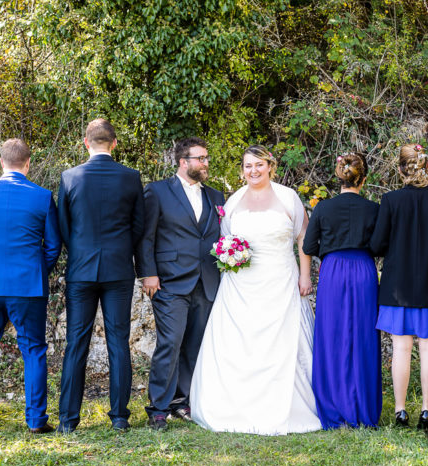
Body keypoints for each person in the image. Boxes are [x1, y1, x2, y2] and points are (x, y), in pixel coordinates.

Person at [190, 144, 322, 435]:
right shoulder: (234, 201)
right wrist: (228, 254)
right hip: (241, 286)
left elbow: (303, 238)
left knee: (284, 343)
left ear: (270, 166)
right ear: (242, 170)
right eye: (248, 166)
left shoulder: (288, 198)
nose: (253, 171)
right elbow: (225, 240)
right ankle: (233, 406)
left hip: (281, 280)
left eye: (259, 165)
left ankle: (291, 406)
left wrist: (305, 276)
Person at [0, 138, 61, 433]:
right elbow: (54, 245)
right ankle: (35, 420)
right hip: (28, 287)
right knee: (33, 351)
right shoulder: (42, 196)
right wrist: (35, 271)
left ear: (1, 162)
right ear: (27, 163)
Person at [57, 118, 145, 433]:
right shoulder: (131, 177)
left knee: (75, 343)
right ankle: (120, 416)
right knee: (118, 342)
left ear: (86, 142)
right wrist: (121, 250)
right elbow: (138, 226)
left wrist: (79, 250)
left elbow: (63, 227)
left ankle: (68, 420)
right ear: (115, 143)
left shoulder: (70, 177)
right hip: (119, 268)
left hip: (81, 269)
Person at [370, 144, 428, 431]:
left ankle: (400, 411)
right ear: (426, 168)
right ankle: (426, 411)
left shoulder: (390, 200)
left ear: (400, 169)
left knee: (400, 349)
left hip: (397, 288)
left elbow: (377, 245)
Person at [135, 137, 225, 431]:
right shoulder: (158, 191)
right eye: (201, 158)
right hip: (170, 281)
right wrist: (148, 273)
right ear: (183, 162)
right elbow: (146, 235)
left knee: (194, 345)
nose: (206, 163)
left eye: (207, 158)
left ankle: (181, 401)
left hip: (207, 280)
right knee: (170, 343)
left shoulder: (216, 196)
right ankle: (158, 407)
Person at [303, 152, 382, 429]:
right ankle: (363, 408)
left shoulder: (323, 208)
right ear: (364, 178)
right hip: (363, 270)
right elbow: (381, 246)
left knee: (332, 335)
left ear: (339, 176)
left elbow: (308, 247)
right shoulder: (374, 209)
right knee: (363, 335)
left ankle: (333, 404)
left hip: (333, 271)